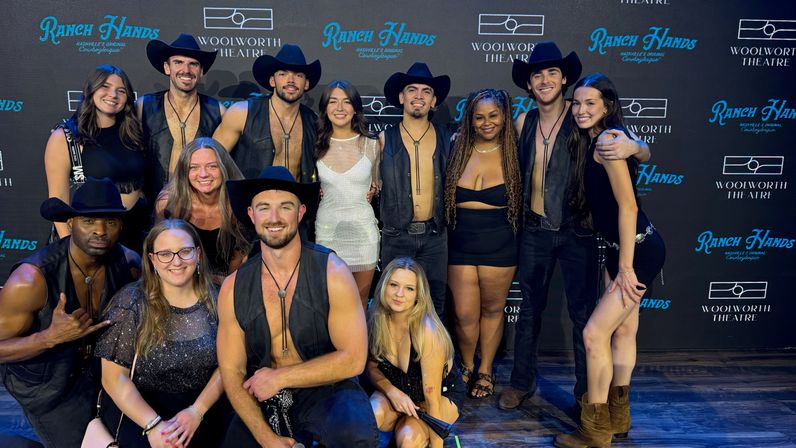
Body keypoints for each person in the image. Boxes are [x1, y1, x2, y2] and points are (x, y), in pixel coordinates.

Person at [498, 42, 651, 411]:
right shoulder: (524, 121)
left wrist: (636, 145)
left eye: (552, 73)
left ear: (564, 78)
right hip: (534, 231)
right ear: (529, 85)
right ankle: (521, 383)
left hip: (577, 232)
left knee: (583, 314)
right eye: (538, 74)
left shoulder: (582, 116)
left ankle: (587, 394)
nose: (545, 80)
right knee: (529, 310)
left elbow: (633, 144)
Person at [218, 166, 377, 447]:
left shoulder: (332, 272)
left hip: (327, 388)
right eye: (264, 208)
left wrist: (280, 377)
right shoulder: (233, 287)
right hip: (264, 395)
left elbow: (353, 358)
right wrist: (267, 439)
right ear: (252, 215)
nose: (275, 218)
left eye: (285, 207)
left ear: (301, 212)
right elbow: (231, 372)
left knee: (355, 434)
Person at [555, 73, 665, 448]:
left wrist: (626, 267)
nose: (582, 110)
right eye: (578, 103)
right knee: (624, 331)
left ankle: (595, 429)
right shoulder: (603, 139)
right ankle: (619, 416)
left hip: (635, 249)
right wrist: (638, 145)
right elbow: (642, 151)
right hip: (628, 247)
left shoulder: (605, 142)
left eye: (591, 103)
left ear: (608, 106)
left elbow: (629, 205)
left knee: (594, 333)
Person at [0, 178, 141, 448]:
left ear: (120, 225)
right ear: (71, 223)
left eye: (110, 222)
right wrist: (49, 338)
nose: (100, 231)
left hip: (100, 378)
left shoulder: (129, 264)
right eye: (89, 221)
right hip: (48, 386)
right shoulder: (30, 280)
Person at [95, 219, 230, 448]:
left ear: (197, 254)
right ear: (152, 259)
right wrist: (154, 426)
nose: (176, 262)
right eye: (165, 254)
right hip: (141, 411)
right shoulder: (130, 303)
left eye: (185, 252)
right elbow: (113, 378)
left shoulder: (219, 299)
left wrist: (197, 411)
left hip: (203, 407)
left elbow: (229, 365)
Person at [443, 88, 521, 399]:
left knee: (492, 309)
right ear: (470, 120)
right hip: (460, 241)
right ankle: (464, 363)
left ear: (504, 118)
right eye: (479, 117)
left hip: (500, 242)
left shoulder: (515, 152)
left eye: (493, 116)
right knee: (463, 313)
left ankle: (485, 368)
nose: (486, 122)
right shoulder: (455, 148)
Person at [44, 65, 148, 251]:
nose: (113, 95)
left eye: (121, 90)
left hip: (134, 234)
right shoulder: (66, 137)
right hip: (92, 238)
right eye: (105, 87)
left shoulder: (133, 133)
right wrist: (72, 249)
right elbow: (58, 199)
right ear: (91, 90)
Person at [379, 62, 451, 319]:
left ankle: (434, 358)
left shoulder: (447, 138)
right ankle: (393, 359)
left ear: (434, 101)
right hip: (396, 235)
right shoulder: (383, 139)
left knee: (435, 304)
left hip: (435, 236)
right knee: (392, 306)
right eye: (412, 89)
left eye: (426, 91)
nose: (418, 95)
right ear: (401, 97)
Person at [368, 257, 462, 448]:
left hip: (436, 398)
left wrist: (437, 445)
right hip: (399, 391)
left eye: (409, 288)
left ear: (418, 294)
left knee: (408, 439)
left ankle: (407, 430)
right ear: (384, 286)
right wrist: (392, 392)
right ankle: (398, 426)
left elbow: (433, 400)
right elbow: (371, 367)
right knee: (371, 414)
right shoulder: (376, 317)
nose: (399, 294)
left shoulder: (427, 332)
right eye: (394, 285)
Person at [314, 80, 380, 308]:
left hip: (363, 235)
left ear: (355, 108)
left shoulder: (372, 143)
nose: (340, 108)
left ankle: (359, 345)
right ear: (324, 108)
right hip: (327, 234)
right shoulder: (314, 144)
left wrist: (374, 188)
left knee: (360, 302)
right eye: (333, 102)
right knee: (330, 303)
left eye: (346, 102)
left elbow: (378, 184)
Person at [214, 44, 321, 181]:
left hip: (296, 200)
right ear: (272, 81)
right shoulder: (242, 113)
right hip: (250, 200)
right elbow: (211, 160)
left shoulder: (314, 122)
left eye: (298, 75)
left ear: (306, 84)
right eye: (283, 74)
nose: (290, 80)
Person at [139, 33, 224, 203]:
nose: (186, 70)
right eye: (178, 62)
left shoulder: (217, 110)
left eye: (193, 64)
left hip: (201, 207)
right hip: (152, 208)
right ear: (167, 67)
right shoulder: (143, 106)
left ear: (201, 71)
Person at [155, 137, 249, 284]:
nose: (203, 174)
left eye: (212, 166)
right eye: (194, 167)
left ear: (224, 168)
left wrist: (227, 291)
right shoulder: (169, 203)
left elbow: (240, 257)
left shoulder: (239, 203)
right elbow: (162, 254)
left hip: (229, 282)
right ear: (185, 171)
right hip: (182, 282)